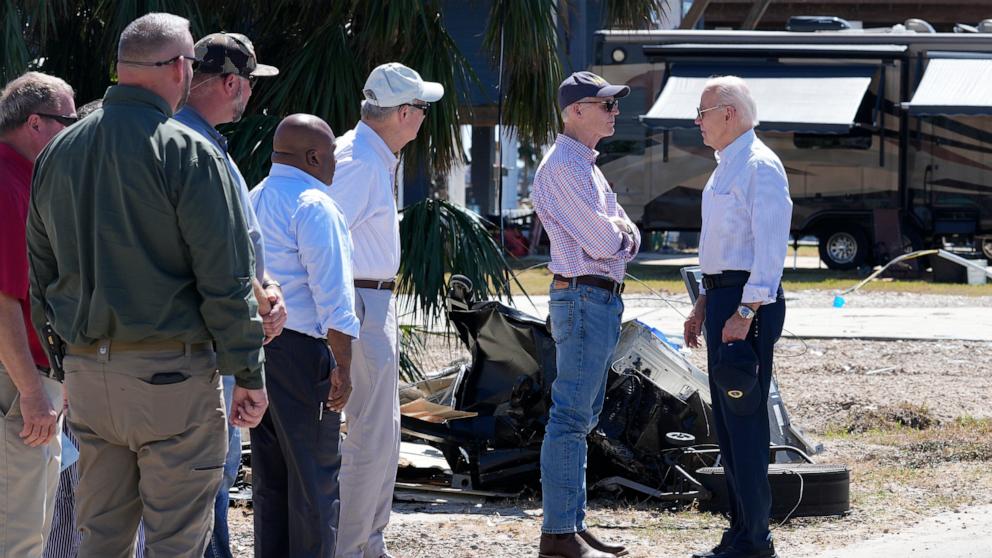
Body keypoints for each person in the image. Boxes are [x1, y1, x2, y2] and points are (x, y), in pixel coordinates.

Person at [26, 13, 267, 557]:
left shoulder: (57, 152)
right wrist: (248, 371)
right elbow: (224, 280)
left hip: (88, 374)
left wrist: (66, 364)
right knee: (175, 543)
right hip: (171, 379)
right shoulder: (188, 151)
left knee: (101, 541)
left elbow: (42, 273)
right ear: (180, 69)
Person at [173, 31, 286, 558]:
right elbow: (211, 263)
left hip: (219, 339)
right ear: (231, 82)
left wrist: (267, 289)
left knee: (214, 480)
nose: (250, 97)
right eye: (248, 85)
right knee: (206, 484)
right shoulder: (190, 148)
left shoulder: (204, 144)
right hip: (207, 347)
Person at [328, 61, 442, 558]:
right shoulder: (358, 160)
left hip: (369, 298)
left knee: (380, 438)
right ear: (401, 113)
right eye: (420, 107)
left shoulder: (368, 156)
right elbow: (325, 243)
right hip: (359, 300)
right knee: (370, 440)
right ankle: (353, 549)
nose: (424, 116)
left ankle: (364, 545)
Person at [683, 76, 792, 558]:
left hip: (749, 304)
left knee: (745, 422)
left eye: (702, 114)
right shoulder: (725, 165)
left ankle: (756, 538)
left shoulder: (759, 165)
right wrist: (705, 303)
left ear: (728, 112)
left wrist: (745, 310)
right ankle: (739, 529)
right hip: (723, 300)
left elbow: (769, 250)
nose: (697, 123)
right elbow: (724, 250)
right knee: (727, 427)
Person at [531, 71, 639, 558]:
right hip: (583, 297)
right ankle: (558, 534)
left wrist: (619, 235)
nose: (614, 112)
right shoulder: (564, 168)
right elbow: (605, 241)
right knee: (572, 417)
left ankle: (569, 526)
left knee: (581, 415)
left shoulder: (584, 165)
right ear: (576, 110)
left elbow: (623, 234)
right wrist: (620, 235)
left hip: (592, 297)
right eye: (606, 104)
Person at [249, 114, 360, 558]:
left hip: (261, 351)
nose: (334, 162)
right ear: (314, 156)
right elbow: (333, 298)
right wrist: (344, 368)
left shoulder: (254, 196)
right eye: (331, 153)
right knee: (315, 479)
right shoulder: (315, 203)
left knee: (271, 479)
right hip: (304, 352)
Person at [0, 70, 75, 558]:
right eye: (67, 120)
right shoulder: (9, 184)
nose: (74, 129)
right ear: (35, 123)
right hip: (19, 380)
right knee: (21, 535)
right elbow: (2, 298)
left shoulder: (22, 177)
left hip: (24, 377)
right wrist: (32, 391)